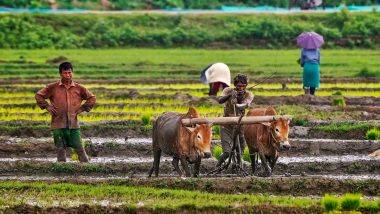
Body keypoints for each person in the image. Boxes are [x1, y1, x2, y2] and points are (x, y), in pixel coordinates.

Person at [35, 62, 96, 162]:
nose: (68, 75)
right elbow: (39, 95)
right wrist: (46, 106)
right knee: (60, 149)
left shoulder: (79, 88)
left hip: (73, 124)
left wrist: (82, 108)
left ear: (72, 72)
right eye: (65, 73)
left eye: (69, 72)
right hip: (58, 124)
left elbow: (92, 98)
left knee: (79, 148)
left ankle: (86, 169)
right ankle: (61, 172)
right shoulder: (53, 87)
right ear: (60, 74)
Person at [216, 74, 254, 168]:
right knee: (227, 152)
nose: (241, 88)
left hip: (240, 127)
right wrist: (230, 95)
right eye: (238, 86)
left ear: (246, 86)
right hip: (226, 126)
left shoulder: (249, 94)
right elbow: (220, 100)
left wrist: (239, 98)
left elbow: (243, 105)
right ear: (235, 85)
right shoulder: (227, 90)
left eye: (243, 86)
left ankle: (237, 167)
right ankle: (218, 165)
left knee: (240, 152)